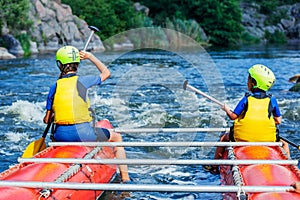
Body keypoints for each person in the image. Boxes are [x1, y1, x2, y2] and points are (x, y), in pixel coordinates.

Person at [43, 46, 130, 183]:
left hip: (60, 136)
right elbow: (106, 73)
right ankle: (126, 179)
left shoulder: (54, 86)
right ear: (77, 65)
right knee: (117, 137)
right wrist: (90, 57)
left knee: (56, 136)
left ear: (59, 65)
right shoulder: (83, 81)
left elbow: (47, 120)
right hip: (84, 134)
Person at [204, 64, 290, 174]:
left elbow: (233, 116)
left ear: (253, 84)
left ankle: (214, 166)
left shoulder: (246, 99)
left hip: (242, 138)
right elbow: (278, 121)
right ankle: (287, 168)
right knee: (285, 144)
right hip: (268, 139)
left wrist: (226, 109)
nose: (247, 82)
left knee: (223, 139)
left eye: (248, 79)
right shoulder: (272, 100)